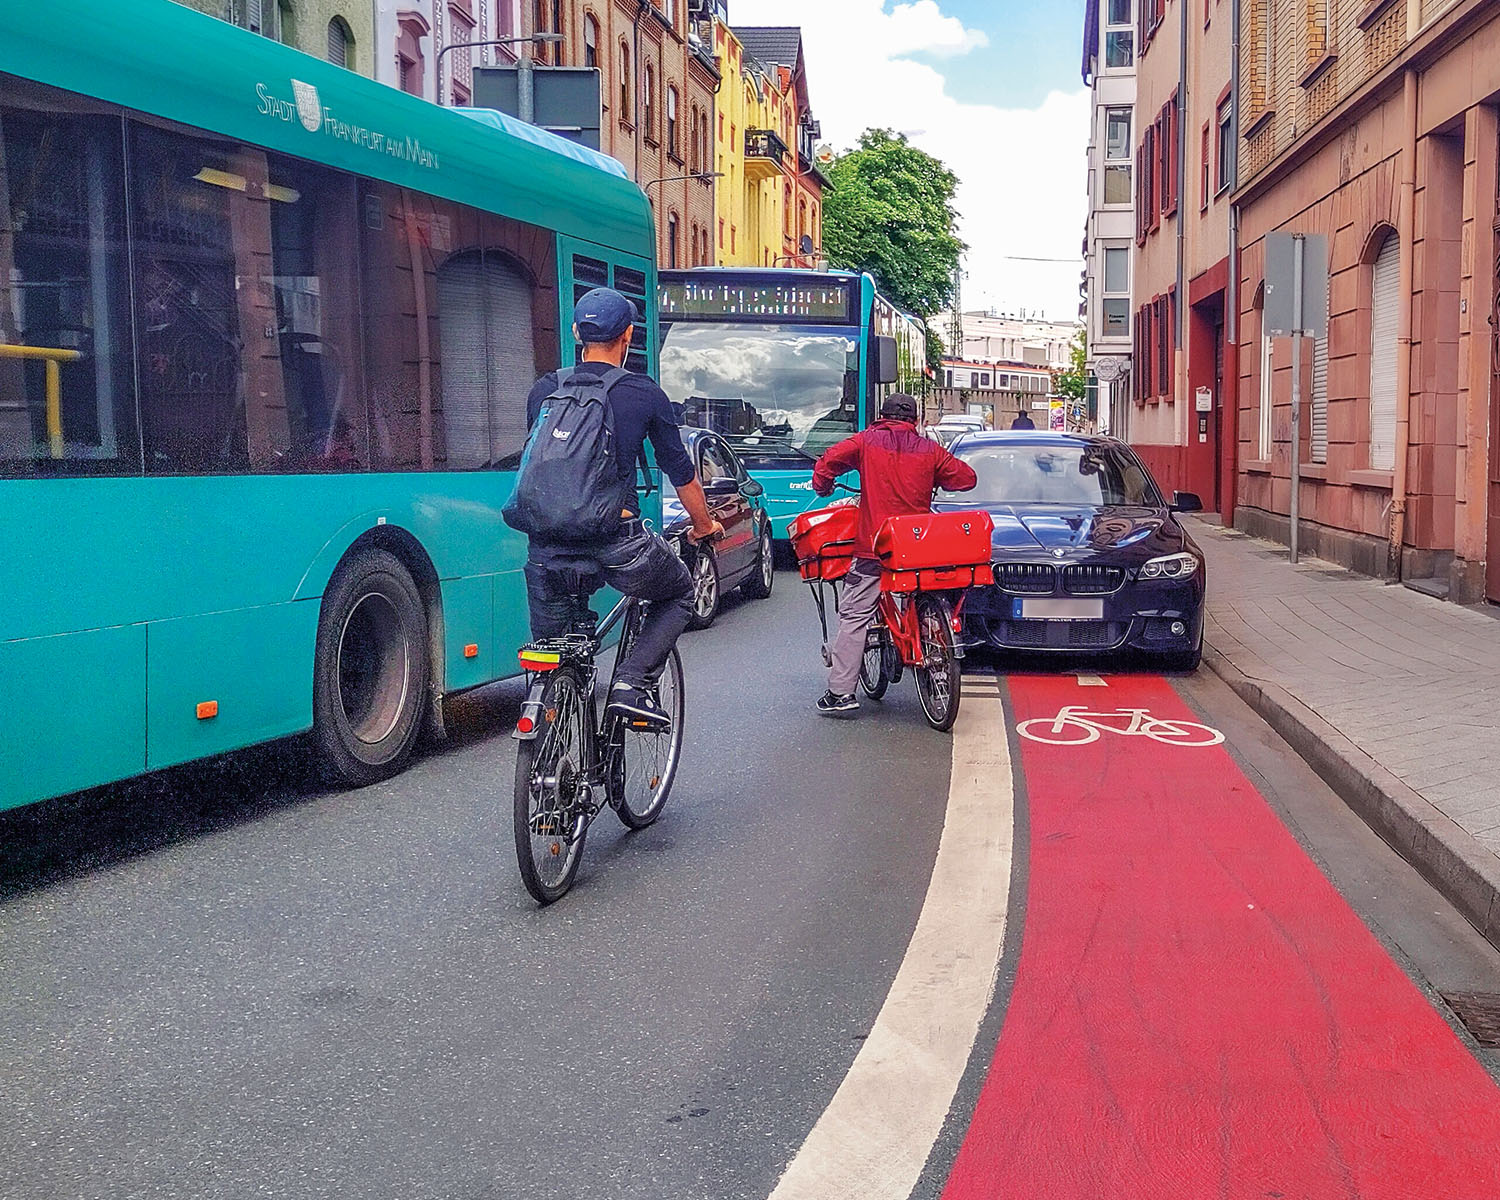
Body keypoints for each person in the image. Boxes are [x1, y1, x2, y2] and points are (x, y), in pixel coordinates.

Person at [521, 288, 723, 729]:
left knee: (556, 651)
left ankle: (547, 741)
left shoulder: (544, 390)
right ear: (628, 334)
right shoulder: (644, 394)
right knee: (679, 592)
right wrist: (704, 525)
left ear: (577, 333)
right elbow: (681, 471)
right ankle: (632, 683)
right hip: (616, 542)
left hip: (545, 547)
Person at [810, 393, 978, 716]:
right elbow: (967, 478)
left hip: (876, 548)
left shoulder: (866, 442)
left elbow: (828, 462)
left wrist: (823, 486)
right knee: (926, 591)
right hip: (919, 548)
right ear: (914, 420)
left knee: (855, 614)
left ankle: (841, 692)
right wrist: (936, 478)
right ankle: (936, 656)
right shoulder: (930, 449)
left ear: (881, 415)